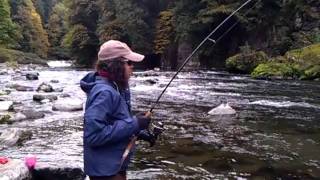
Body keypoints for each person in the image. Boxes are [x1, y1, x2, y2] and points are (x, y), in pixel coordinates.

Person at [80, 40, 153, 180]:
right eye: (129, 63)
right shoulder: (104, 93)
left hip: (113, 168)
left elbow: (115, 121)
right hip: (106, 173)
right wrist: (134, 123)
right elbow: (93, 136)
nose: (133, 67)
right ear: (117, 65)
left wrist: (139, 131)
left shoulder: (116, 87)